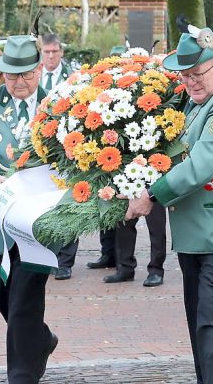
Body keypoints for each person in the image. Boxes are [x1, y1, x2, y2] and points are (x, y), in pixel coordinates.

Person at [124, 26, 213, 384]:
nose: (190, 82)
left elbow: (200, 166)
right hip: (196, 231)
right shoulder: (195, 99)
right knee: (198, 318)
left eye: (197, 74)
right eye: (184, 76)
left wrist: (151, 196)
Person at [0, 34, 57, 383]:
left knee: (23, 301)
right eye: (11, 75)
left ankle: (22, 376)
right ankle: (40, 337)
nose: (19, 82)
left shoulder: (59, 105)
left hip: (39, 222)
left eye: (27, 75)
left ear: (38, 69)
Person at [38, 33, 78, 281]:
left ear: (61, 52)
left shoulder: (72, 78)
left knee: (69, 202)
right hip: (42, 147)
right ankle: (44, 255)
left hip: (68, 146)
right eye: (46, 52)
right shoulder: (33, 75)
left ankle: (65, 260)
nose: (51, 56)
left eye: (54, 52)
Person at [85, 45, 128, 273]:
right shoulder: (99, 88)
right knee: (104, 204)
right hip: (102, 155)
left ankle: (127, 262)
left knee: (124, 213)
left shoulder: (131, 87)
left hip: (127, 158)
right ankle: (108, 254)